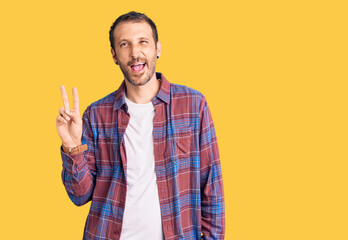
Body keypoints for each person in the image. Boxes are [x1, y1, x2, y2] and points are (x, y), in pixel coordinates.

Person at [56, 11, 225, 240]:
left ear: (157, 48)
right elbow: (80, 196)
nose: (135, 53)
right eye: (125, 44)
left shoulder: (193, 105)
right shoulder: (96, 115)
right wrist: (72, 145)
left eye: (143, 42)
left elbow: (211, 186)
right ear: (114, 55)